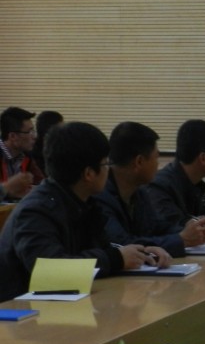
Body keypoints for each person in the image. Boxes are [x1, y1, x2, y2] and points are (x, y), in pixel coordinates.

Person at [0, 122, 164, 301]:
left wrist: (139, 254)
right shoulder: (35, 211)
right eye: (105, 164)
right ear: (89, 174)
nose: (108, 170)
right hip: (20, 311)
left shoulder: (83, 202)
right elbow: (50, 271)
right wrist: (116, 259)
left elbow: (100, 249)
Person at [94, 122, 205, 258]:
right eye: (156, 157)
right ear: (139, 162)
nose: (158, 164)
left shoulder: (139, 192)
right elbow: (123, 244)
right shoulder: (100, 196)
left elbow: (158, 228)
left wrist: (191, 232)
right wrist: (181, 239)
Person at [0, 106, 44, 200]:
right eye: (29, 132)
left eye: (33, 131)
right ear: (13, 136)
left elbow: (41, 184)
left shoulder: (26, 156)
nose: (34, 137)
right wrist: (7, 188)